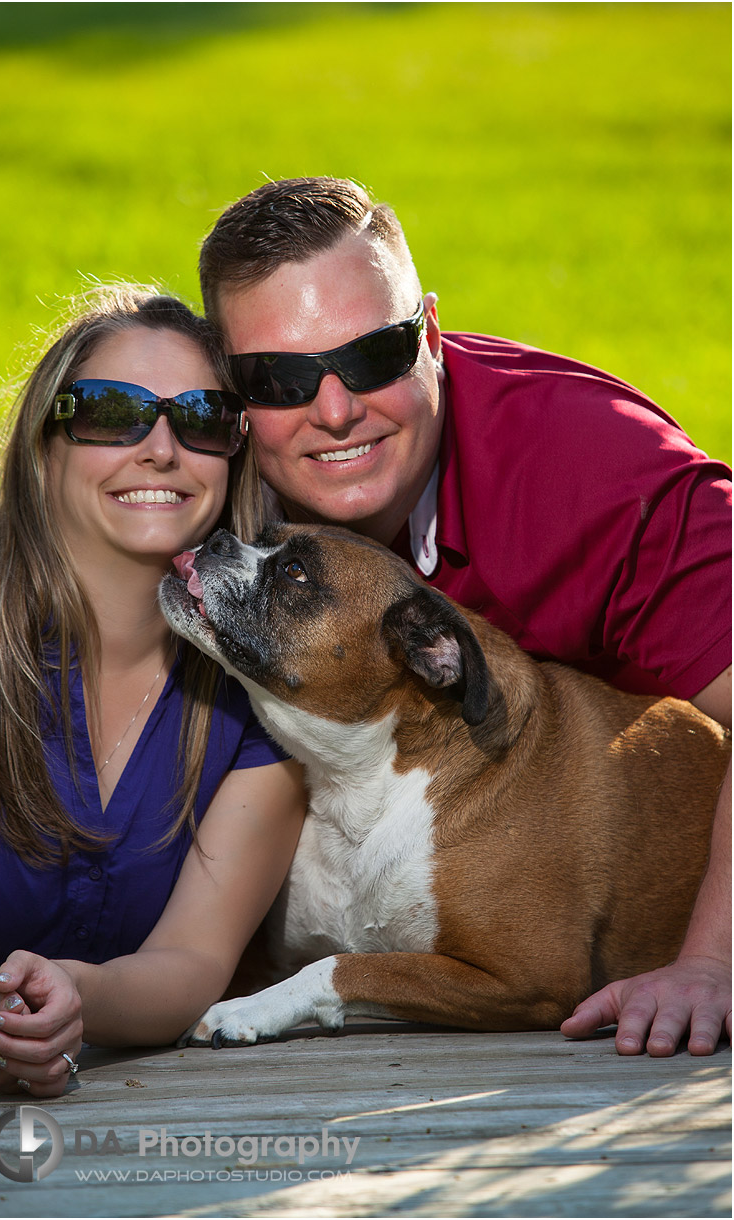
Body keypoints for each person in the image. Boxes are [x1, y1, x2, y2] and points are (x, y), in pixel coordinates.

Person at [197, 176, 732, 1058]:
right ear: (234, 396)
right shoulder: (205, 469)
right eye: (280, 378)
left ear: (431, 337)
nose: (334, 410)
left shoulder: (595, 469)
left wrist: (711, 960)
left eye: (372, 355)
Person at [0, 284, 305, 1097]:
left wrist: (79, 997)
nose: (161, 450)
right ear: (44, 443)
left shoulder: (263, 671)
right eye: (109, 411)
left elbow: (194, 960)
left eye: (201, 418)